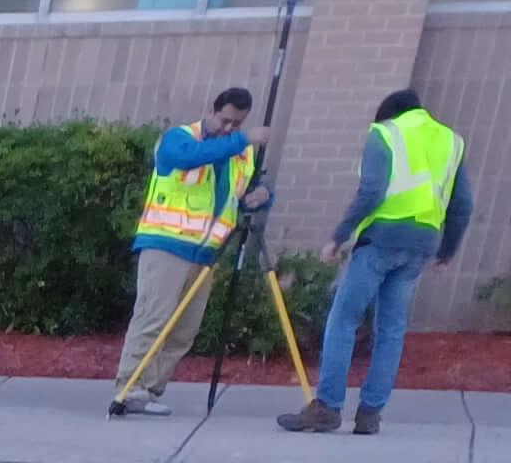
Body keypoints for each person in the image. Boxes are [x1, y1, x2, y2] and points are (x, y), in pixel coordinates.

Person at [281, 88, 474, 436]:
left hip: (381, 239)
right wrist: (447, 251)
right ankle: (370, 414)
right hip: (422, 242)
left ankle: (326, 408)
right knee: (392, 329)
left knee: (343, 319)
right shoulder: (452, 141)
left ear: (387, 114)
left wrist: (338, 236)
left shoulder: (384, 133)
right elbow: (463, 205)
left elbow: (370, 191)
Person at [111, 85, 252, 416]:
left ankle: (151, 389)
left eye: (238, 124)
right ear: (211, 110)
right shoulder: (179, 138)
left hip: (205, 252)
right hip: (167, 243)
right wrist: (241, 141)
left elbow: (244, 191)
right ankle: (129, 387)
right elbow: (185, 158)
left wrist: (261, 196)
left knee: (184, 329)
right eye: (226, 120)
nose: (230, 129)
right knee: (152, 317)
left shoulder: (241, 153)